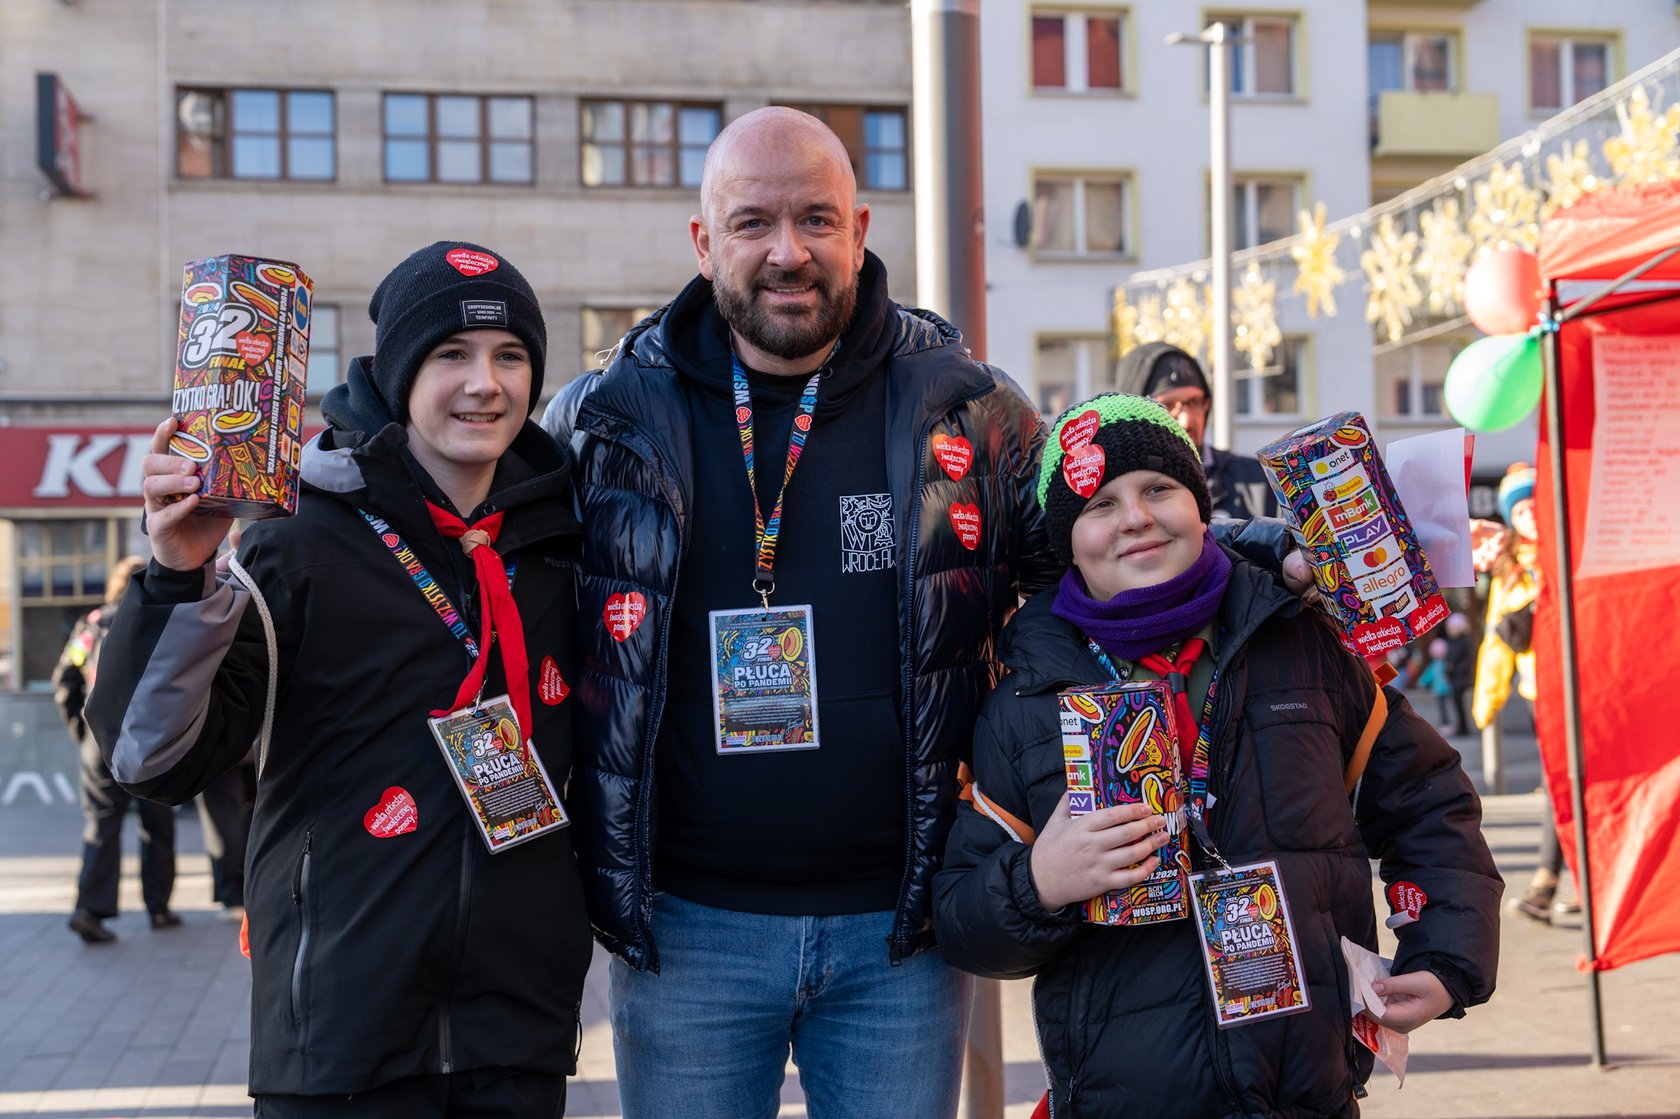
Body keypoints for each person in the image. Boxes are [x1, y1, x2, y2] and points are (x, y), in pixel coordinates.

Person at [86, 242, 593, 1117]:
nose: (485, 383)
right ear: (399, 370)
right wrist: (176, 576)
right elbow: (150, 757)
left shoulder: (562, 543)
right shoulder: (298, 543)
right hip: (339, 1039)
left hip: (516, 1038)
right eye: (452, 354)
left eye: (510, 355)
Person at [933, 394, 1501, 1117]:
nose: (1135, 518)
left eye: (1158, 489)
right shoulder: (1025, 698)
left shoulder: (1304, 641)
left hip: (1307, 1091)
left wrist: (1445, 955)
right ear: (1066, 540)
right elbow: (963, 920)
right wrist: (1040, 881)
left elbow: (1427, 802)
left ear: (1201, 506)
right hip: (1126, 1102)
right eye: (1100, 504)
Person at [54, 554, 181, 943]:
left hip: (100, 738)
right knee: (157, 824)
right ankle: (159, 908)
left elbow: (66, 677)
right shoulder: (163, 618)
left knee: (101, 824)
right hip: (151, 737)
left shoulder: (93, 624)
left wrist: (81, 728)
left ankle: (89, 909)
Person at [1473, 464, 1571, 923]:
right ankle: (1561, 883)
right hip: (1540, 690)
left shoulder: (1566, 548)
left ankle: (1550, 883)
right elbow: (1498, 636)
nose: (1529, 515)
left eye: (1535, 504)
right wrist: (1487, 698)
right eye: (1519, 509)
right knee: (1562, 781)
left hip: (1579, 684)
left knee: (1568, 781)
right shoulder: (1508, 568)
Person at [1114, 341, 1278, 520]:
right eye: (1167, 405)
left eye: (1194, 402)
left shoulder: (1261, 481)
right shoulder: (1109, 493)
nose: (1186, 420)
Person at [1443, 611, 1477, 738]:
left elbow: (1468, 659)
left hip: (1462, 678)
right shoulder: (1450, 641)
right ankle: (1461, 727)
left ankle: (1464, 727)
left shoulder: (1464, 642)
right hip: (1453, 677)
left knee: (1461, 704)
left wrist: (1456, 668)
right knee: (1456, 705)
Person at [1416, 637, 1457, 732]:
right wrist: (1422, 682)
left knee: (1445, 708)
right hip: (1440, 690)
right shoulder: (1439, 664)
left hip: (1444, 689)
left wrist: (1421, 682)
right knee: (1443, 708)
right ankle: (1445, 724)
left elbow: (1428, 675)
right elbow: (1428, 675)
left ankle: (1447, 724)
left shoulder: (1442, 664)